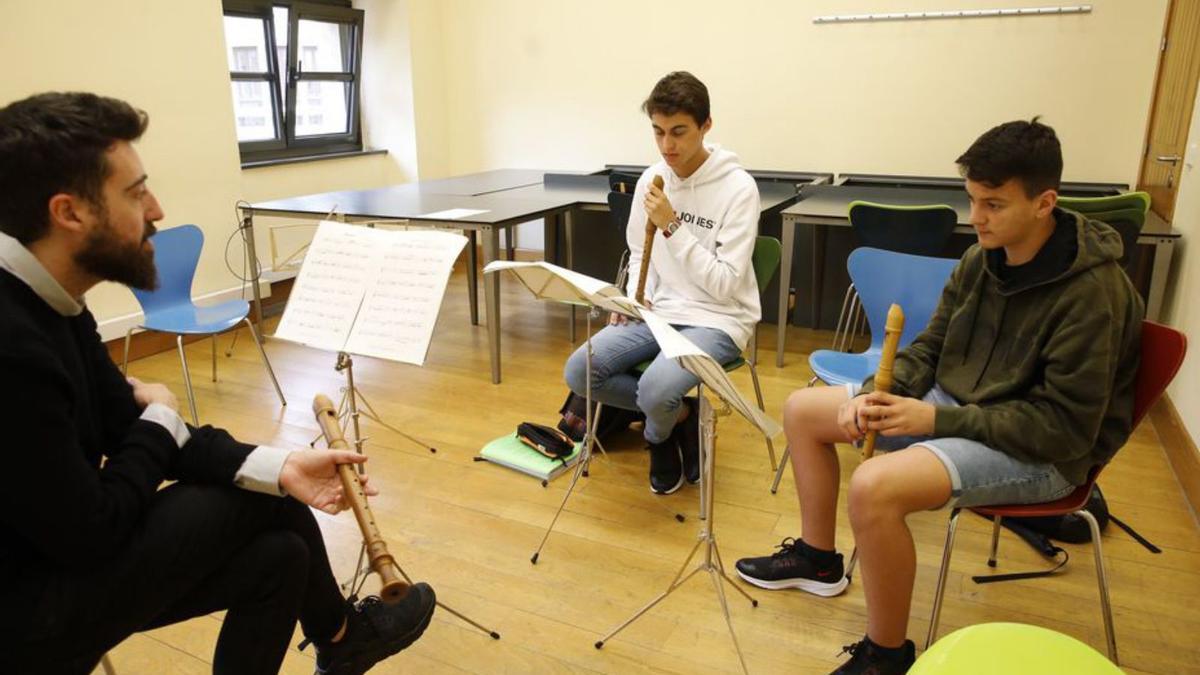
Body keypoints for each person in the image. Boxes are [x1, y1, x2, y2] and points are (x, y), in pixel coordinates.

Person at [0, 92, 436, 675]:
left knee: (280, 555)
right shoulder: (11, 346)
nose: (156, 208)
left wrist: (277, 465)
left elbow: (119, 425)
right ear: (69, 212)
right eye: (135, 192)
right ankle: (342, 638)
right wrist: (159, 416)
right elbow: (93, 529)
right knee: (245, 507)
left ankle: (341, 638)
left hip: (61, 568)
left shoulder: (55, 301)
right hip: (23, 618)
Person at [735, 119, 1143, 674]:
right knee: (804, 410)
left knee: (874, 487)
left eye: (994, 204)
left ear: (1045, 202)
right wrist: (886, 394)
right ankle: (819, 559)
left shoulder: (1094, 294)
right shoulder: (981, 260)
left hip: (1045, 452)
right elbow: (929, 349)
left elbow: (1060, 428)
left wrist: (932, 419)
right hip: (959, 409)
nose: (975, 218)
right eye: (973, 200)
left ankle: (887, 654)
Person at [563, 71, 761, 494]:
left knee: (655, 389)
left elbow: (725, 285)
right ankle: (681, 417)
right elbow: (640, 253)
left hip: (718, 319)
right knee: (581, 370)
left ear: (706, 126)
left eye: (679, 132)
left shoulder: (739, 189)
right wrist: (639, 299)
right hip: (661, 311)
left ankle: (659, 436)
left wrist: (672, 226)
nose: (667, 146)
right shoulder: (652, 179)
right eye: (658, 132)